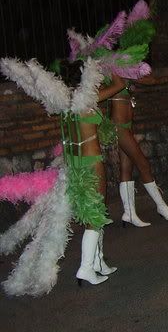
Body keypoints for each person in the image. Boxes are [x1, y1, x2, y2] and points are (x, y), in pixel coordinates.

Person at [59, 60, 125, 285]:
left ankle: (97, 261)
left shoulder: (65, 102)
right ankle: (85, 267)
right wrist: (111, 62)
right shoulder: (87, 99)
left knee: (92, 212)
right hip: (91, 162)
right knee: (96, 213)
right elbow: (120, 84)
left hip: (74, 164)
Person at [109, 76, 168, 227]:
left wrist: (132, 74)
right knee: (143, 164)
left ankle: (129, 214)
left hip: (126, 125)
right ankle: (161, 206)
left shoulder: (124, 71)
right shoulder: (110, 70)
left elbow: (150, 80)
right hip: (118, 127)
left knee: (126, 168)